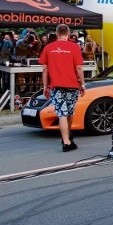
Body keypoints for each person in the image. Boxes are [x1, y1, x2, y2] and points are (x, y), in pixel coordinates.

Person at [39, 24, 86, 152]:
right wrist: (82, 84)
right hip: (72, 85)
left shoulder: (48, 47)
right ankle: (67, 136)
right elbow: (79, 67)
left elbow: (44, 68)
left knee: (62, 113)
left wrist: (45, 86)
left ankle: (66, 141)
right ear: (69, 33)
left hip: (56, 85)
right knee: (70, 112)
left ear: (57, 33)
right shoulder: (74, 47)